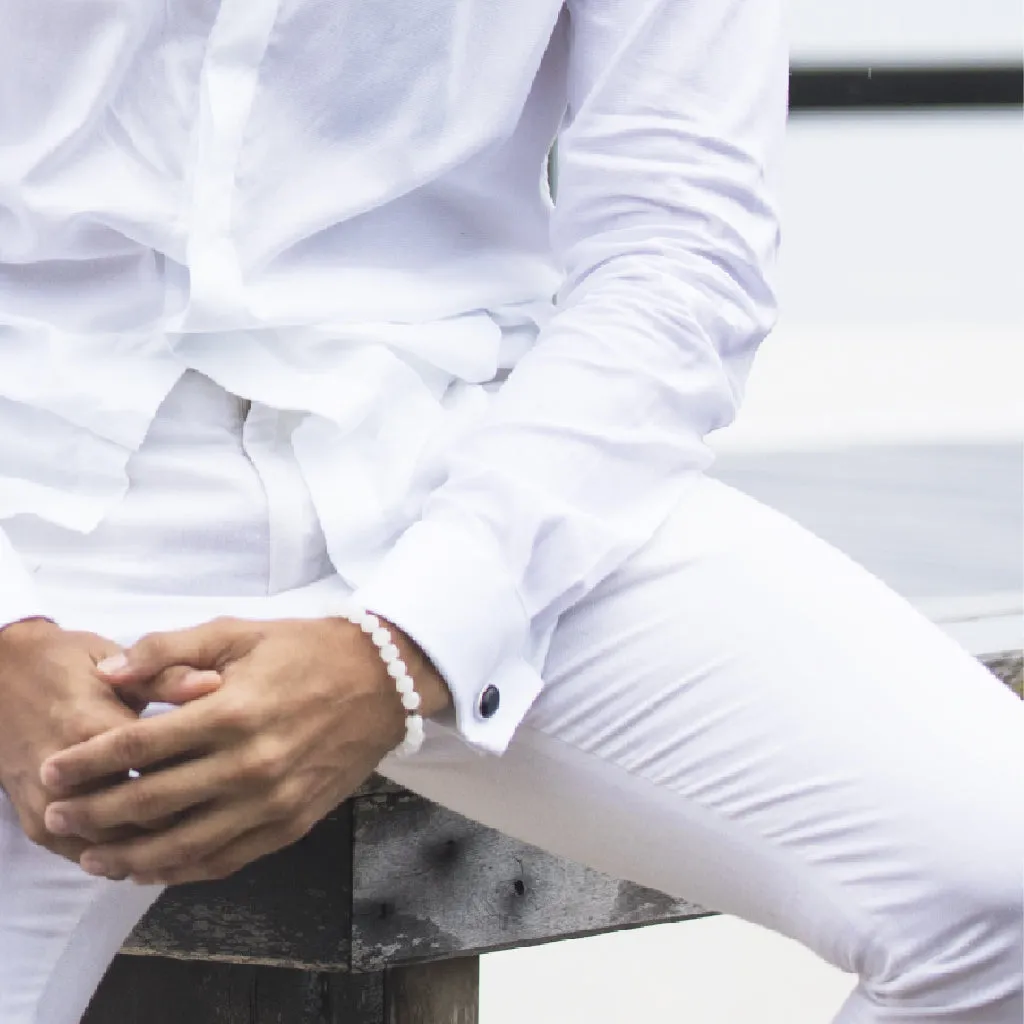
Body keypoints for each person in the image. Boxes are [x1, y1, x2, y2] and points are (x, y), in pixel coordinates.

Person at [0, 0, 1020, 1021]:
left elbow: (681, 249)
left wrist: (408, 644)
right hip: (27, 491)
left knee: (999, 893)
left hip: (450, 460)